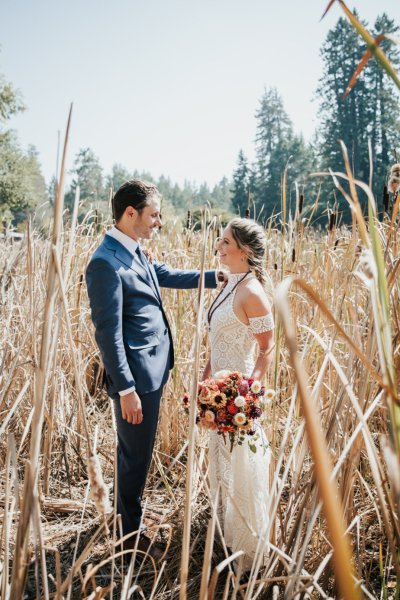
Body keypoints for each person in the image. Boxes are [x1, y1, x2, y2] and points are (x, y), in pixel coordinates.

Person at [86, 179, 220, 559]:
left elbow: (164, 274)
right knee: (135, 456)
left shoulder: (134, 250)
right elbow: (108, 335)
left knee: (136, 452)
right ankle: (129, 538)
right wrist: (125, 388)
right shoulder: (104, 262)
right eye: (154, 215)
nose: (159, 222)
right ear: (131, 214)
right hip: (136, 380)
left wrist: (215, 277)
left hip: (152, 371)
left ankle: (129, 518)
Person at [202, 217, 275, 569]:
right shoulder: (229, 284)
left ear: (244, 251)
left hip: (238, 400)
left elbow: (267, 348)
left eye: (225, 242)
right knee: (222, 467)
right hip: (217, 395)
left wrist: (248, 390)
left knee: (243, 467)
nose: (219, 245)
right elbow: (214, 343)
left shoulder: (252, 292)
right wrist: (205, 384)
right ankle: (226, 539)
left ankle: (248, 553)